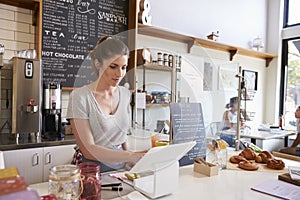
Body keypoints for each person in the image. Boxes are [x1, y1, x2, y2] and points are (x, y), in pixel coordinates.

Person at [67, 36, 145, 172]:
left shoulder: (125, 94)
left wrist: (128, 160)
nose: (119, 74)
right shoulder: (80, 97)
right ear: (98, 64)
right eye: (113, 67)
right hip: (90, 168)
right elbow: (88, 149)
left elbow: (121, 136)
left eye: (124, 67)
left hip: (119, 167)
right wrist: (131, 156)